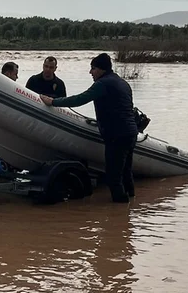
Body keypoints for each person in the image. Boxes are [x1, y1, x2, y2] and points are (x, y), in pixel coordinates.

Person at [40, 53, 137, 203]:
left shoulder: (103, 84)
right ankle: (131, 207)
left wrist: (53, 102)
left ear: (101, 70)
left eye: (93, 69)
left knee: (113, 176)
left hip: (116, 135)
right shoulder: (123, 83)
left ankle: (120, 213)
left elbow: (80, 99)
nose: (90, 72)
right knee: (126, 172)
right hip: (130, 133)